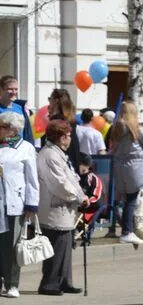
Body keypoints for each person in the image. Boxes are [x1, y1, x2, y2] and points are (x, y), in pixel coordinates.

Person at [36, 119, 87, 296]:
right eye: (68, 135)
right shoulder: (49, 155)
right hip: (54, 207)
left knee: (65, 245)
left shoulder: (57, 153)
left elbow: (71, 178)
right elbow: (59, 183)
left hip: (64, 208)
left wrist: (81, 196)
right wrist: (76, 197)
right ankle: (50, 283)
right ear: (62, 137)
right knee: (56, 246)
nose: (70, 138)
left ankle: (64, 280)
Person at [106, 101, 143, 247]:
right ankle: (127, 231)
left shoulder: (115, 128)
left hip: (119, 165)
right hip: (134, 167)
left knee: (123, 198)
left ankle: (125, 227)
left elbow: (111, 147)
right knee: (131, 199)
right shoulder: (136, 128)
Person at [0, 111, 38, 298]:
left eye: (3, 127)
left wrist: (32, 205)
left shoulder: (26, 148)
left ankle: (12, 283)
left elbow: (32, 180)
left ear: (13, 130)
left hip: (15, 203)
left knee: (14, 246)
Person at [45, 89, 81, 169]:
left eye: (50, 99)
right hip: (73, 153)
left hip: (60, 156)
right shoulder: (71, 118)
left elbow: (51, 142)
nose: (49, 102)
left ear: (56, 101)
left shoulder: (56, 121)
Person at [0, 76, 33, 143]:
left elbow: (28, 133)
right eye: (10, 89)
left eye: (16, 89)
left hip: (19, 149)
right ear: (1, 89)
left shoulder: (20, 108)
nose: (14, 92)